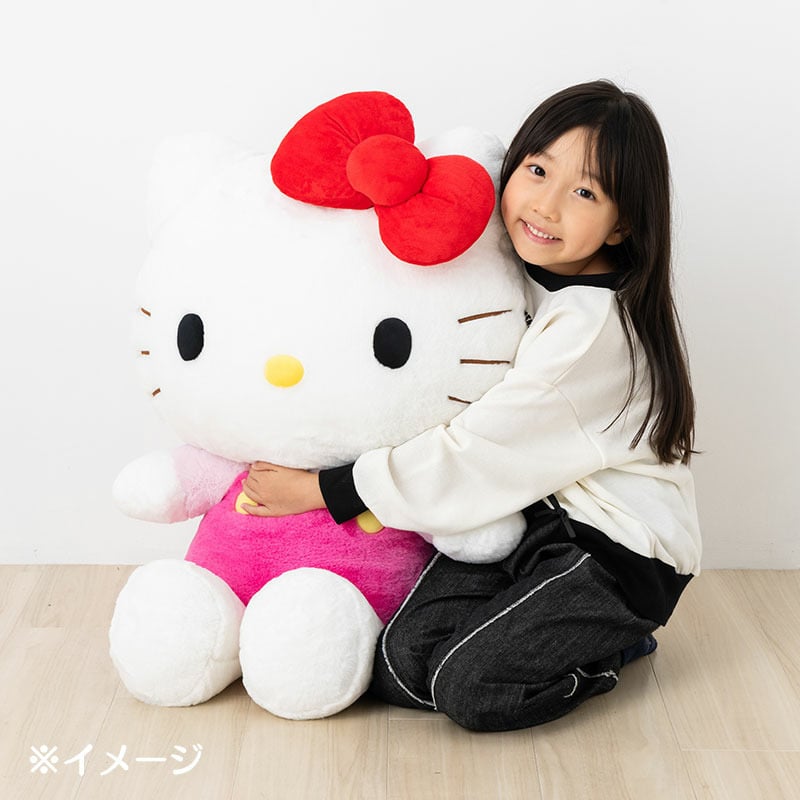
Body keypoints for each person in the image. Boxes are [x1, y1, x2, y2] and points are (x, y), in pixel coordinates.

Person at [241, 80, 701, 732]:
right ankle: (537, 634)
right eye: (537, 170)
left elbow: (480, 451)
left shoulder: (591, 331)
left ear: (622, 224)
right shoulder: (524, 274)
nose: (545, 205)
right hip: (526, 519)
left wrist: (325, 488)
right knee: (399, 666)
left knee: (470, 687)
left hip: (614, 554)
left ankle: (610, 651)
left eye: (585, 193)